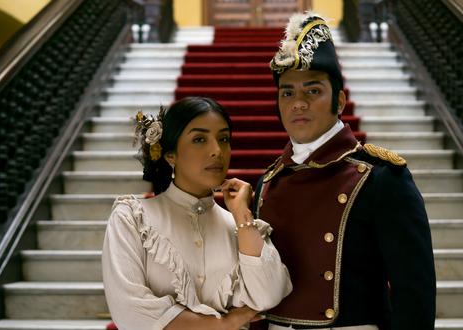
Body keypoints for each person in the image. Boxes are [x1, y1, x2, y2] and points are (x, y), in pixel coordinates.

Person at [252, 12, 436, 329]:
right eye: (287, 92)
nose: (298, 103)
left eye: (312, 91)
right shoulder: (268, 183)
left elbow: (414, 296)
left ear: (339, 100)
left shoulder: (380, 179)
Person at [102, 97, 292, 330]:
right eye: (199, 139)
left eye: (223, 139)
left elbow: (268, 296)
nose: (216, 151)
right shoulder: (132, 218)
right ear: (170, 154)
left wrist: (242, 213)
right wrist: (228, 322)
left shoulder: (243, 229)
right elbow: (130, 313)